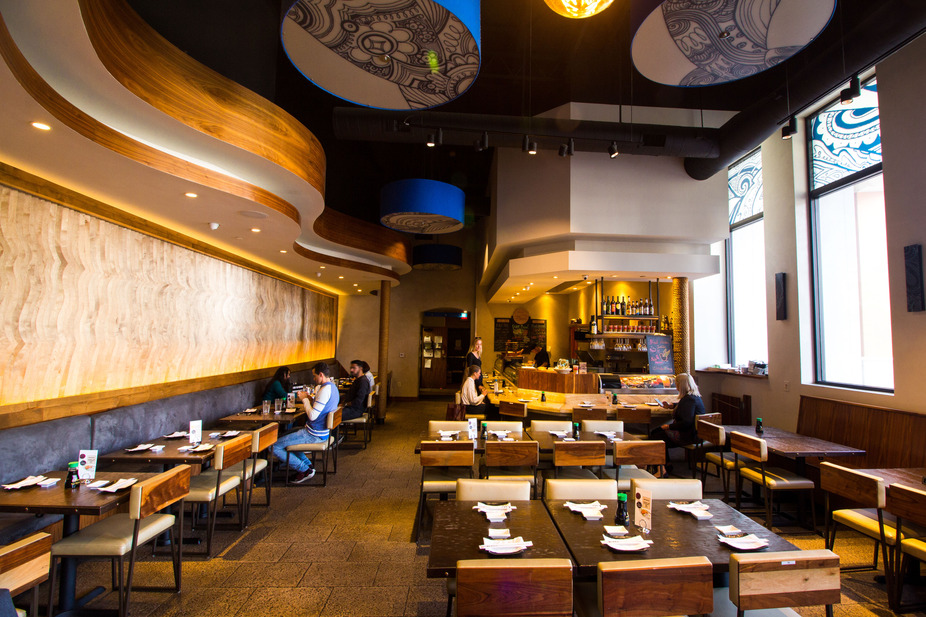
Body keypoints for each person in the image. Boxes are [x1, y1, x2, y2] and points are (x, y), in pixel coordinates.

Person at [270, 362, 340, 483]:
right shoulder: (333, 387)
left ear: (321, 374)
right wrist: (310, 399)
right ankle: (308, 466)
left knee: (273, 446)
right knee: (286, 435)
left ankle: (304, 470)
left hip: (314, 434)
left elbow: (312, 416)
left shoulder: (325, 390)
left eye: (314, 375)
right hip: (322, 432)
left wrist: (304, 400)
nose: (313, 378)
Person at [649, 373, 706, 476]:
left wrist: (668, 426)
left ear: (681, 385)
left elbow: (686, 422)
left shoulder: (688, 399)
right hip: (695, 433)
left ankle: (661, 469)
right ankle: (666, 465)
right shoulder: (694, 397)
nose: (676, 386)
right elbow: (685, 408)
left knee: (655, 436)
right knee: (656, 433)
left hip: (688, 436)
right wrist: (672, 405)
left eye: (677, 384)